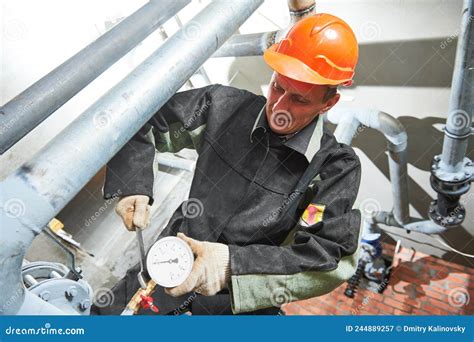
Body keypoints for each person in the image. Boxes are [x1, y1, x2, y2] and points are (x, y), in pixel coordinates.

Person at [92, 13, 362, 315]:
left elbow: (324, 254)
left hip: (234, 300)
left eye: (299, 100)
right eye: (278, 87)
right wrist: (133, 184)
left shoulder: (335, 168)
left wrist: (231, 263)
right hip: (168, 263)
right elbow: (142, 120)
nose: (280, 107)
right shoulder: (222, 107)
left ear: (328, 103)